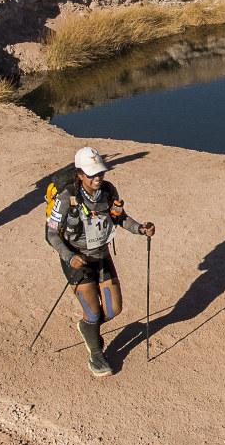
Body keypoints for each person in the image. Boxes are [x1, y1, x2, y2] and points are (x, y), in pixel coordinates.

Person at [44, 146, 154, 376]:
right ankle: (96, 355)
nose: (97, 178)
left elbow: (119, 217)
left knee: (114, 309)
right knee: (94, 312)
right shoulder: (66, 198)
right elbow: (51, 234)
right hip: (78, 261)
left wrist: (140, 229)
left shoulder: (108, 190)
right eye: (91, 173)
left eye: (100, 172)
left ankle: (87, 328)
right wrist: (69, 256)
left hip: (102, 256)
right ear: (80, 174)